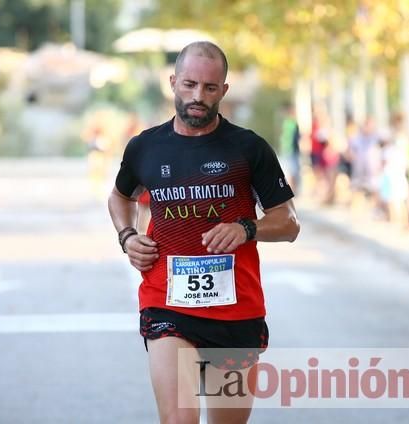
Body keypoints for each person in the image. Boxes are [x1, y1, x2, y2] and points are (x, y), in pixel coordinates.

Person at [108, 41, 300, 424]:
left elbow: (289, 223)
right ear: (173, 82)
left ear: (224, 91)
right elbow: (119, 197)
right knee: (179, 419)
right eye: (190, 85)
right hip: (167, 301)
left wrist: (247, 228)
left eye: (210, 88)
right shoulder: (145, 147)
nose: (198, 96)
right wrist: (127, 236)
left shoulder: (249, 149)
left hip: (236, 309)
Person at [278, 101, 302, 194]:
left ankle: (292, 189)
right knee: (292, 170)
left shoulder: (287, 122)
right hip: (290, 149)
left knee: (291, 170)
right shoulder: (291, 123)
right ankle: (292, 189)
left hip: (288, 149)